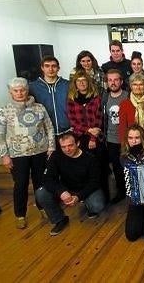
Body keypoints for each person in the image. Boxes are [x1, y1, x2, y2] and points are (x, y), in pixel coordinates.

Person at [0, 77, 55, 229]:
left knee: (40, 182)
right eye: (16, 91)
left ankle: (43, 208)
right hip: (17, 154)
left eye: (22, 90)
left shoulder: (39, 107)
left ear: (27, 91)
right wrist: (4, 155)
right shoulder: (4, 110)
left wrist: (51, 147)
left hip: (40, 151)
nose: (20, 93)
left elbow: (49, 127)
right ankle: (20, 215)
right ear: (11, 93)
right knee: (20, 184)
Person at [36, 132, 105, 236]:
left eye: (70, 145)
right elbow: (47, 179)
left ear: (77, 143)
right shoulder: (56, 156)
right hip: (65, 188)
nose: (67, 150)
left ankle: (87, 204)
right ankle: (60, 219)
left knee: (97, 205)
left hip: (85, 189)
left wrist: (79, 196)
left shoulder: (90, 158)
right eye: (63, 147)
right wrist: (61, 192)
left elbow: (95, 182)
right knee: (41, 193)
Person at [66, 70, 110, 201]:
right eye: (78, 81)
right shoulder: (71, 100)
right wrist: (88, 131)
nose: (81, 83)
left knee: (101, 168)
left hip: (97, 138)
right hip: (80, 138)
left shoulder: (96, 98)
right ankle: (87, 197)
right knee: (85, 169)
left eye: (84, 80)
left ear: (88, 82)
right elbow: (73, 121)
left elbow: (99, 118)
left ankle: (105, 197)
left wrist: (93, 137)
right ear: (75, 84)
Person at [102, 69, 129, 203]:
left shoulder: (127, 96)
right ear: (107, 82)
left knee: (128, 165)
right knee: (117, 167)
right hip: (111, 139)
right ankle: (121, 191)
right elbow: (104, 118)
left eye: (116, 80)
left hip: (127, 138)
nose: (113, 83)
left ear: (121, 81)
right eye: (110, 80)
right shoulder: (105, 97)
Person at [29, 55, 70, 136]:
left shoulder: (68, 85)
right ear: (42, 68)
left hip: (68, 131)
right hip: (45, 133)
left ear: (58, 68)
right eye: (47, 66)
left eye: (54, 66)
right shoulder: (32, 87)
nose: (50, 69)